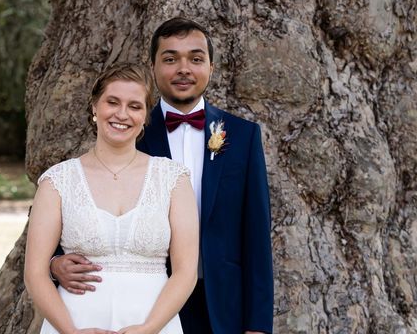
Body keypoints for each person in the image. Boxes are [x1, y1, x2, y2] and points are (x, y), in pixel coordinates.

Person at [51, 18, 274, 334]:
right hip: (147, 300)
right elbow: (78, 198)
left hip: (224, 303)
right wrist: (54, 263)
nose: (184, 68)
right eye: (170, 59)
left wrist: (258, 324)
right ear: (153, 68)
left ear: (211, 67)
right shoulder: (128, 128)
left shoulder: (241, 136)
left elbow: (256, 232)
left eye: (196, 59)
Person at [25, 63, 200, 334]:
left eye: (134, 106)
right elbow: (35, 273)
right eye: (112, 102)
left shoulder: (173, 179)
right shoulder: (57, 181)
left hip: (153, 324)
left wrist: (148, 328)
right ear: (95, 107)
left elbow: (185, 272)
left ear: (145, 116)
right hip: (74, 323)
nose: (122, 114)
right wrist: (71, 332)